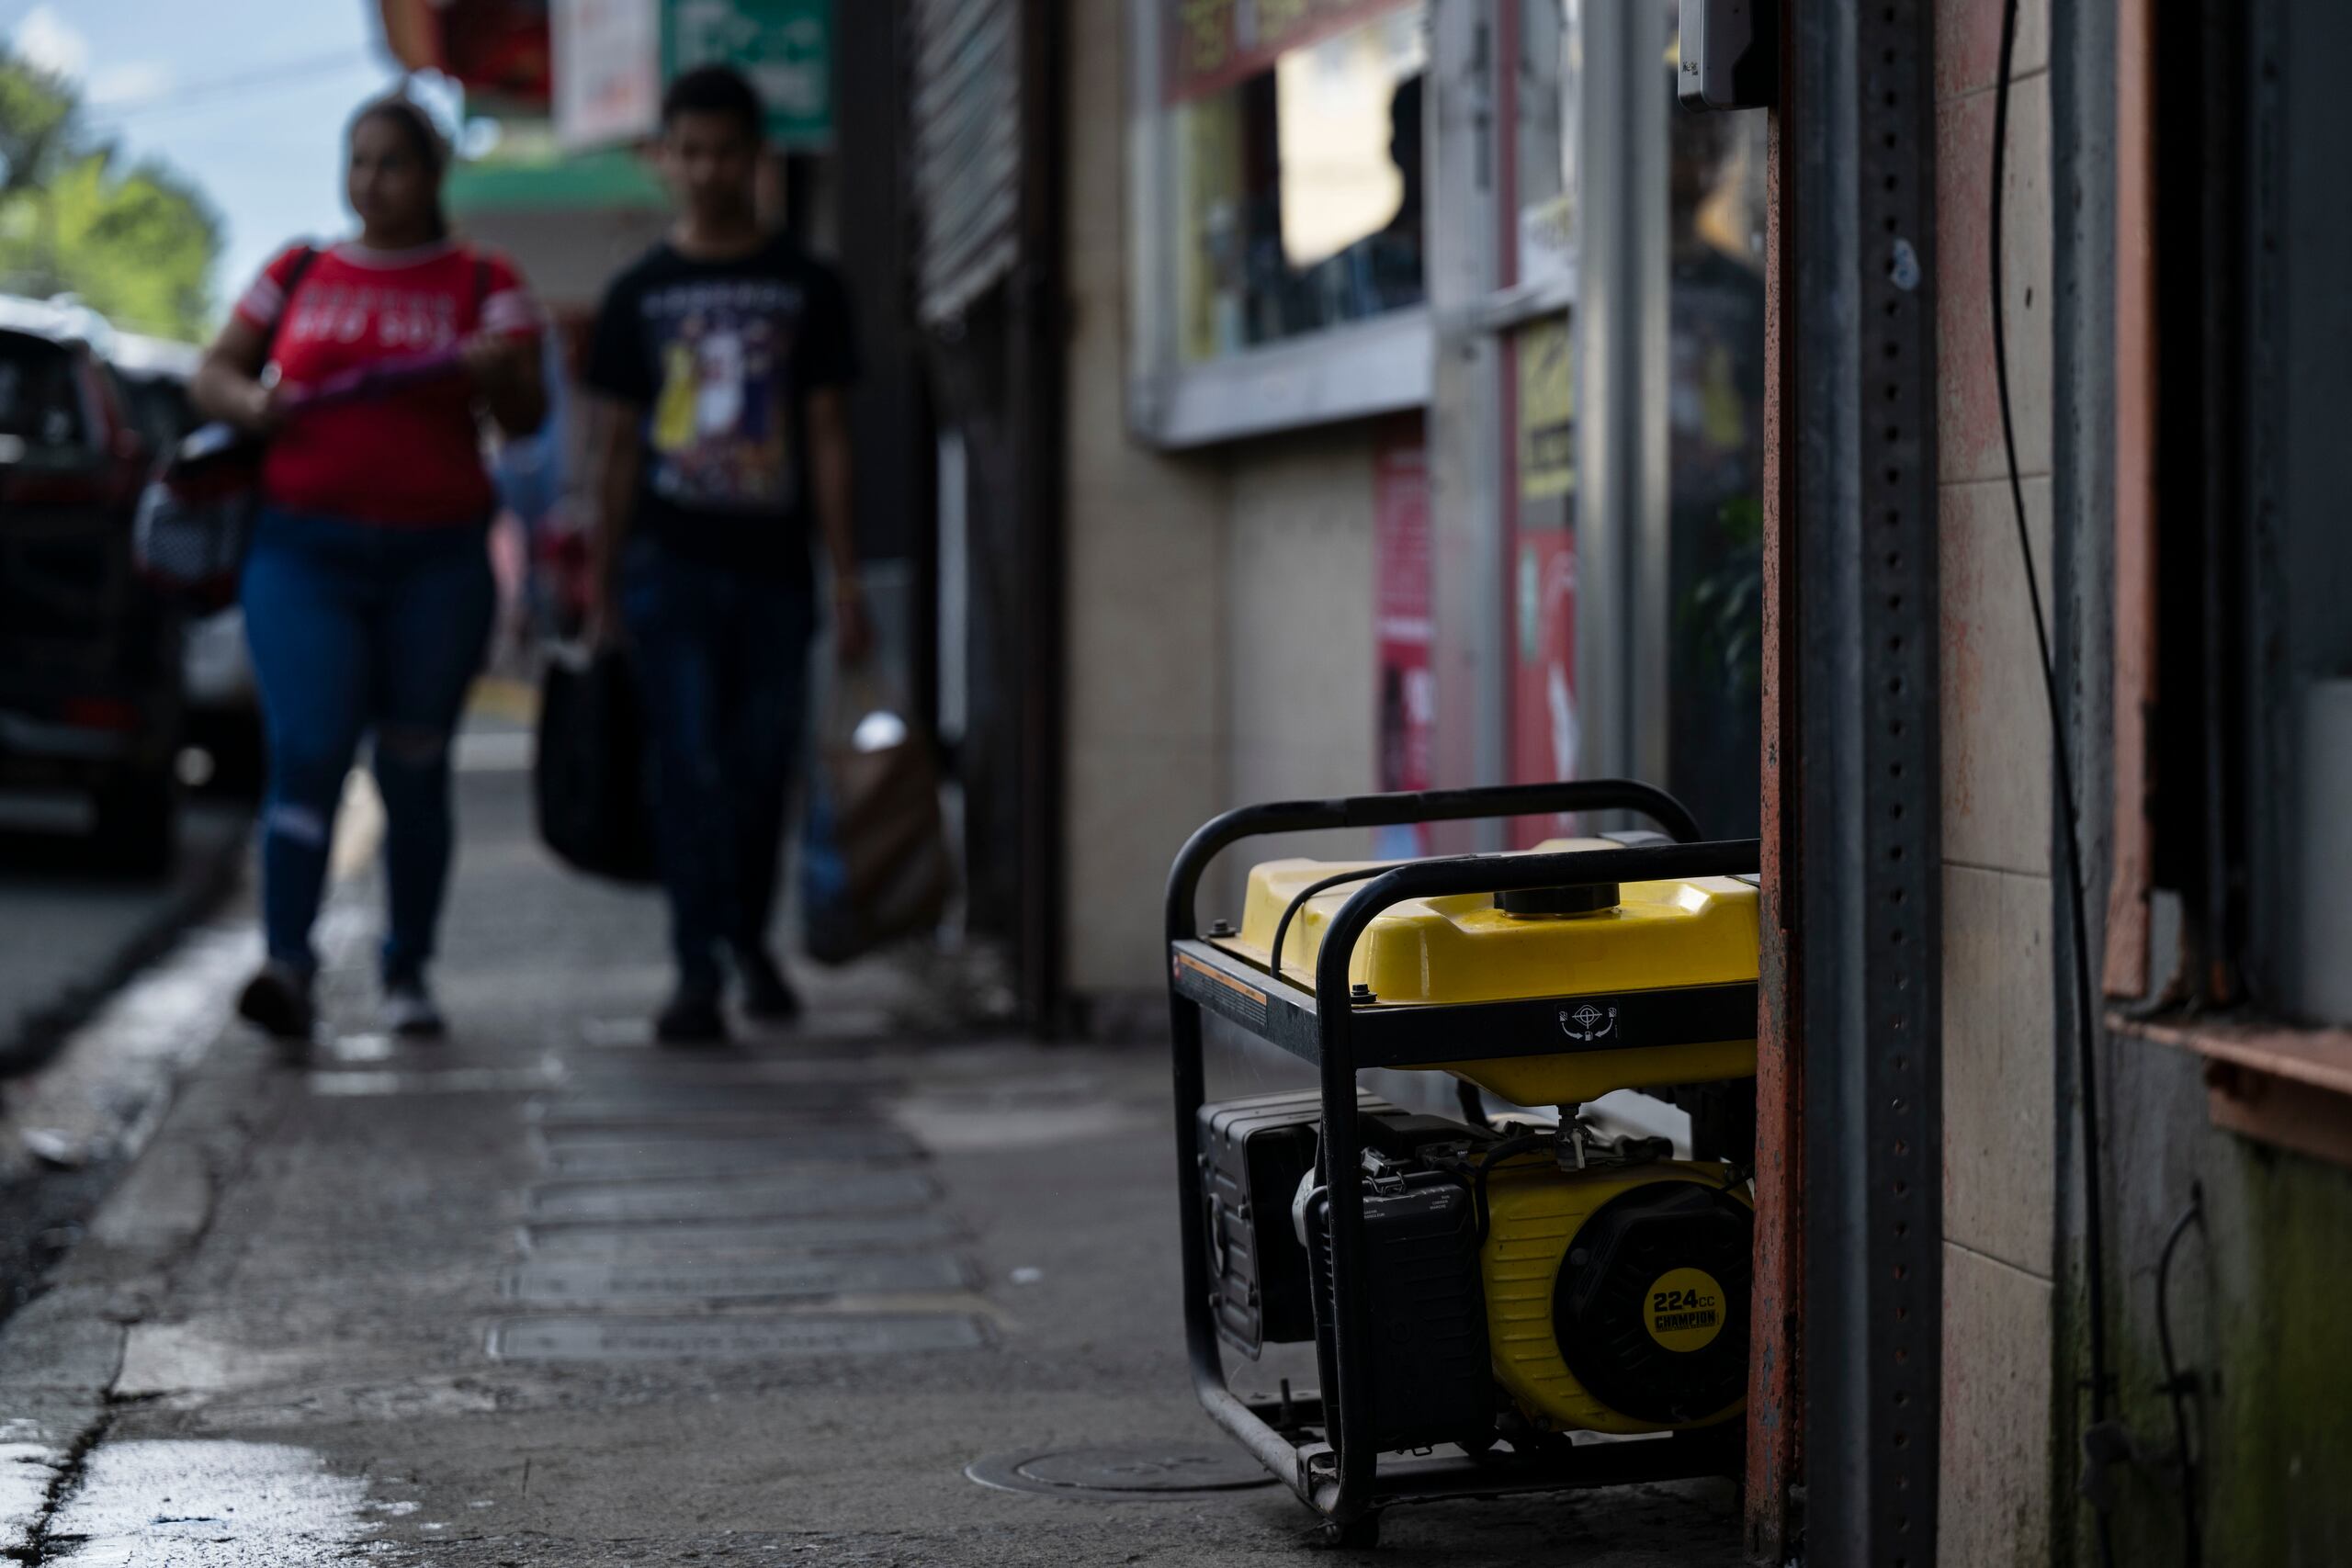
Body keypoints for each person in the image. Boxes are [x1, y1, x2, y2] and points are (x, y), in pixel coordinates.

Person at [190, 94, 548, 1047]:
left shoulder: (484, 278)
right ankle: (287, 965)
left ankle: (408, 968)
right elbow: (212, 372)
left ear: (431, 175)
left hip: (436, 559)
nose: (370, 181)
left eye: (391, 162)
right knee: (307, 749)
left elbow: (527, 418)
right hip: (303, 552)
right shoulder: (298, 269)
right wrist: (251, 405)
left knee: (415, 765)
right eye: (358, 161)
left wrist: (498, 372)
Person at [582, 65, 868, 1045]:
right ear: (665, 159)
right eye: (688, 152)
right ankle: (695, 966)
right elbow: (616, 446)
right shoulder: (639, 294)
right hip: (668, 566)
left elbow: (829, 434)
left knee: (757, 768)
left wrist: (845, 571)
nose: (705, 171)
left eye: (723, 152)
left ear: (756, 158)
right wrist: (604, 580)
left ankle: (749, 942)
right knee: (686, 766)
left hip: (775, 569)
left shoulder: (808, 285)